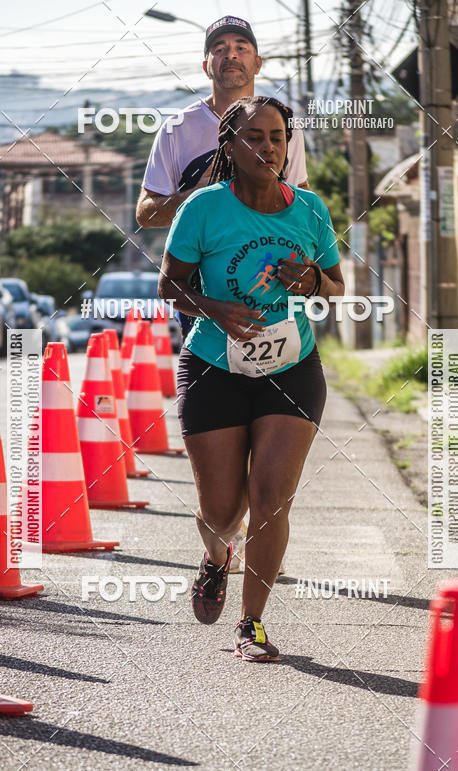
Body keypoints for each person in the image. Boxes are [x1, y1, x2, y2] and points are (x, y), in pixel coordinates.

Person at [158, 96, 345, 662]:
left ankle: (252, 624)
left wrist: (312, 281)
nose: (268, 147)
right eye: (255, 137)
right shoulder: (203, 208)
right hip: (214, 368)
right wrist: (215, 307)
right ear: (230, 146)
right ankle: (217, 557)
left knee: (271, 499)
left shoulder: (310, 209)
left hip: (291, 369)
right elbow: (169, 286)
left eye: (278, 137)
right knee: (222, 512)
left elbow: (336, 288)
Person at [137, 15, 308, 574]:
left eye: (241, 46)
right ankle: (220, 536)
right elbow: (146, 213)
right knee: (221, 484)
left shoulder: (281, 124)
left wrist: (309, 272)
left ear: (257, 62)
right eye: (219, 48)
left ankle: (258, 549)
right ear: (206, 63)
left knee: (271, 467)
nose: (230, 54)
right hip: (203, 308)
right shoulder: (178, 129)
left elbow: (300, 206)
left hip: (270, 305)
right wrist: (203, 196)